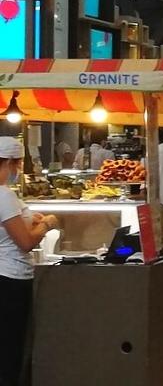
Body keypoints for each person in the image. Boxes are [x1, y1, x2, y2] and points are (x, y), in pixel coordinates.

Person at [0, 138, 58, 386]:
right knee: (10, 349)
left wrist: (28, 219)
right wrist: (47, 224)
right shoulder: (3, 196)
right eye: (19, 164)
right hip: (10, 279)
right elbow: (25, 242)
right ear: (12, 162)